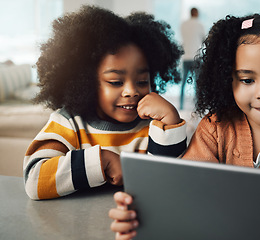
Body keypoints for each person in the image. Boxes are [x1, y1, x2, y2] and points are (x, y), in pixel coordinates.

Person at [108, 8, 260, 240]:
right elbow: (187, 188)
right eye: (247, 80)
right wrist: (145, 215)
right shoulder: (215, 127)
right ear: (228, 79)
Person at [23, 5, 187, 200]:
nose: (132, 91)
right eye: (116, 82)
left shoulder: (153, 127)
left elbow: (170, 184)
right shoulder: (68, 124)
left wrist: (170, 122)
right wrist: (101, 161)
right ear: (87, 82)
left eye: (142, 81)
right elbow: (35, 181)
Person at [179, 7, 205, 109]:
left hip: (186, 57)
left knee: (183, 83)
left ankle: (181, 106)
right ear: (196, 13)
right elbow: (204, 40)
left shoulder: (183, 25)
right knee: (197, 84)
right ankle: (198, 106)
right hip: (196, 57)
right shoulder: (199, 25)